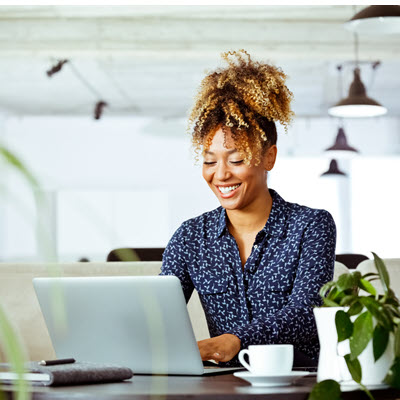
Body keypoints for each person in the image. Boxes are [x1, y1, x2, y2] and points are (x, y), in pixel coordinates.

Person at [161, 50, 336, 367]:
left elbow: (308, 313)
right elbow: (159, 319)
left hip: (298, 381)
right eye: (209, 161)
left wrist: (237, 339)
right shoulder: (189, 238)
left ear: (269, 157)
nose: (221, 174)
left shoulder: (311, 226)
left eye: (237, 159)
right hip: (222, 385)